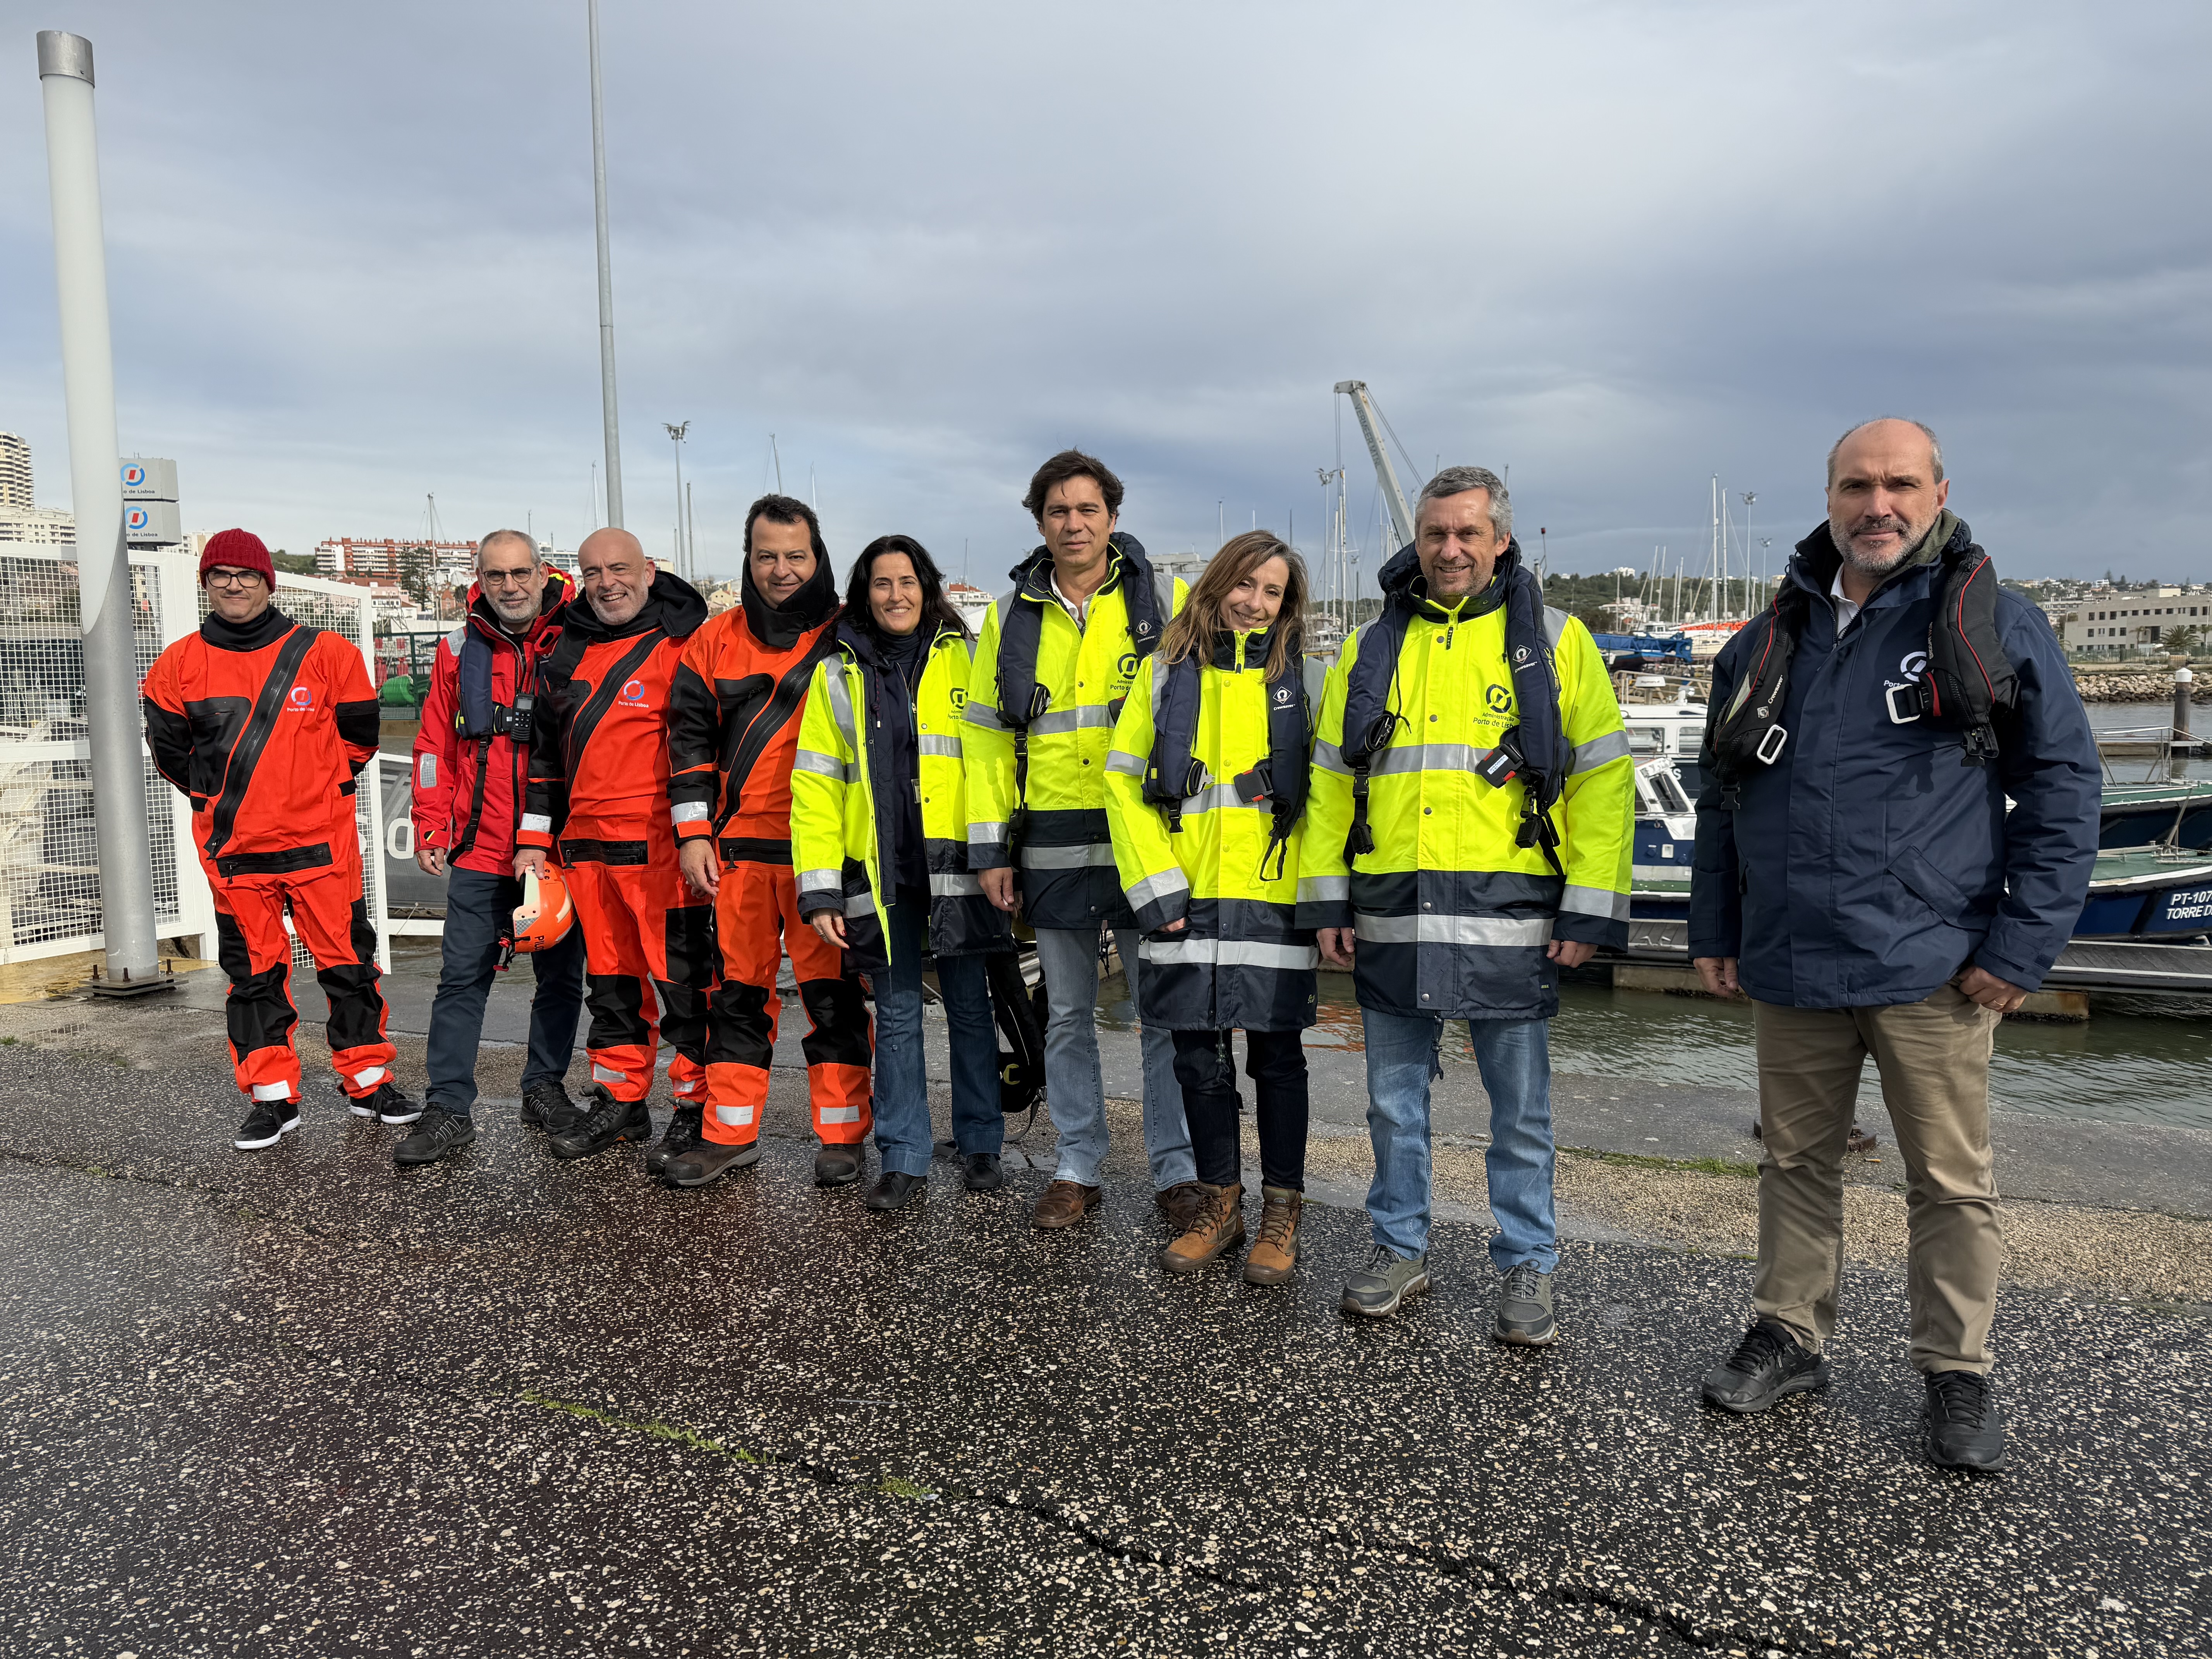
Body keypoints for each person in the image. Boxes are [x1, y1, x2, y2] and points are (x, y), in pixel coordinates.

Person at [1689, 418, 2098, 1472]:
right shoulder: (1767, 636)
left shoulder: (1993, 622)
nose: (1880, 503)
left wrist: (2021, 946)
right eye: (1858, 484)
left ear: (1938, 490)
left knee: (1951, 1182)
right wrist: (1716, 929)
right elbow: (1723, 797)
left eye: (1900, 483)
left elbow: (2062, 786)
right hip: (1792, 956)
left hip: (1934, 960)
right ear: (1829, 497)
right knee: (1793, 1162)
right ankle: (1788, 1330)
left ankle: (1957, 1372)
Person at [1304, 467, 1633, 1333]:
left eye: (1467, 534)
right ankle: (1398, 1248)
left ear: (1500, 542)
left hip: (1513, 916)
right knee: (1391, 1103)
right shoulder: (1370, 649)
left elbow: (1603, 784)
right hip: (1393, 912)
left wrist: (1589, 910)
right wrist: (1326, 903)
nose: (1449, 550)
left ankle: (1529, 1266)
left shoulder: (1559, 644)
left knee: (1520, 1112)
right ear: (1417, 541)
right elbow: (1333, 783)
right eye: (1435, 535)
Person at [963, 450, 1200, 1233]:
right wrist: (992, 849)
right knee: (1066, 1013)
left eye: (1088, 509)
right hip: (1054, 838)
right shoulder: (1007, 617)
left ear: (1113, 518)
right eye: (1058, 511)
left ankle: (1177, 1170)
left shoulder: (1167, 601)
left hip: (1147, 836)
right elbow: (989, 745)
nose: (1074, 523)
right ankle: (1077, 1166)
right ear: (1040, 523)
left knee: (1164, 1011)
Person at [141, 528, 416, 1147]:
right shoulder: (177, 664)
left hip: (323, 849)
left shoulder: (330, 654)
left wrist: (307, 791)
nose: (235, 585)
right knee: (253, 978)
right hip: (234, 857)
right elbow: (170, 755)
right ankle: (273, 1099)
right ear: (206, 583)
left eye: (247, 574)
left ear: (270, 581)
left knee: (349, 966)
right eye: (221, 575)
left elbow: (360, 740)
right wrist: (232, 804)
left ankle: (369, 1082)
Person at [1104, 531, 1320, 1281]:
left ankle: (1281, 1213)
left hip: (1274, 896)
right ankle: (1220, 1205)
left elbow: (1328, 798)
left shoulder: (1307, 683)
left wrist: (1323, 899)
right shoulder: (1164, 677)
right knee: (1197, 1058)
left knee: (1278, 1058)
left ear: (1287, 605)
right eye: (1246, 585)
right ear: (1217, 585)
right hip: (1184, 898)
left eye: (1272, 592)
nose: (1255, 604)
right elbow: (1122, 784)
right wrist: (1156, 888)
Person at [791, 535, 1017, 1211]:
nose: (897, 595)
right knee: (894, 1015)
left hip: (962, 868)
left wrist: (998, 853)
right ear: (865, 593)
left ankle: (980, 1144)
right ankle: (904, 1154)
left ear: (929, 587)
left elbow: (996, 763)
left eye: (908, 581)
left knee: (972, 1011)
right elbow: (817, 789)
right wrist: (821, 888)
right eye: (883, 584)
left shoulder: (969, 660)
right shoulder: (839, 674)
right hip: (881, 875)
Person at [664, 495, 870, 1188]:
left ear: (818, 557)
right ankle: (728, 1133)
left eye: (795, 556)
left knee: (833, 998)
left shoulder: (852, 635)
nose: (782, 571)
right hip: (738, 856)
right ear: (748, 559)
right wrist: (693, 835)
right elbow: (688, 744)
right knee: (737, 998)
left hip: (824, 856)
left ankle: (845, 1135)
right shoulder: (712, 640)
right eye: (767, 556)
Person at [515, 527, 713, 1162]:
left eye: (620, 568)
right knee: (610, 987)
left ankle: (698, 1107)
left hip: (662, 857)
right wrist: (533, 844)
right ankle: (622, 1102)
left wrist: (695, 837)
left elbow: (700, 751)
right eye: (594, 571)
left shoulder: (685, 646)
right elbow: (546, 759)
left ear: (649, 571)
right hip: (588, 857)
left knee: (684, 989)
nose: (608, 582)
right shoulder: (567, 651)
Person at [397, 529, 586, 1166]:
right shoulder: (458, 649)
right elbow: (432, 749)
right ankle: (449, 1107)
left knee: (561, 979)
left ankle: (543, 1088)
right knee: (460, 980)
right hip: (480, 847)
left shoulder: (577, 635)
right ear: (480, 579)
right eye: (496, 576)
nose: (510, 587)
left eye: (520, 573)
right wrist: (430, 825)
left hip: (557, 850)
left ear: (542, 573)